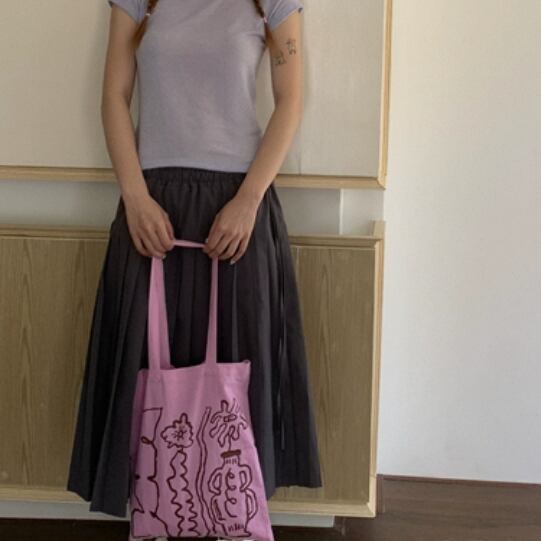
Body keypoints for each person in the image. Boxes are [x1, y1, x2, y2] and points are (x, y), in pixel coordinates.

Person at [66, 0, 322, 522]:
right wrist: (135, 197)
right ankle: (161, 517)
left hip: (239, 207)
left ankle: (231, 518)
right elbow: (113, 96)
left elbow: (291, 100)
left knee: (236, 379)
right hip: (152, 203)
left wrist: (248, 201)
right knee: (147, 376)